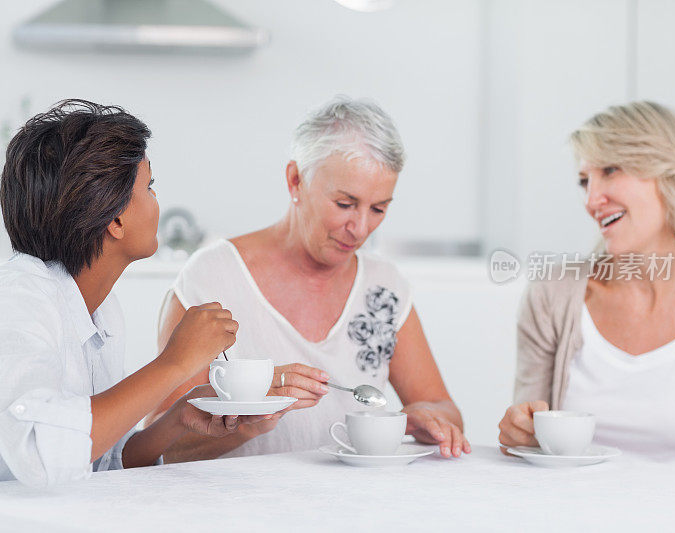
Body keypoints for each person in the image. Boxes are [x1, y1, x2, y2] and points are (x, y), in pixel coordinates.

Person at [0, 100, 265, 489]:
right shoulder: (9, 304)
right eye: (148, 187)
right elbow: (46, 458)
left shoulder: (99, 309)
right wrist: (174, 363)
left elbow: (95, 459)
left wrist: (177, 419)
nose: (156, 201)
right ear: (114, 219)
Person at [150, 95, 469, 460]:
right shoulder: (211, 280)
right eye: (345, 204)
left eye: (379, 208)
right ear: (295, 180)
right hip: (237, 510)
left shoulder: (384, 287)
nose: (361, 228)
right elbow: (160, 449)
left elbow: (443, 406)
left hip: (355, 506)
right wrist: (253, 416)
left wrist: (429, 419)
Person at [498, 101, 675, 465]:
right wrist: (519, 430)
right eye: (585, 181)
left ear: (670, 174)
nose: (591, 200)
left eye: (611, 170)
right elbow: (527, 442)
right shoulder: (553, 294)